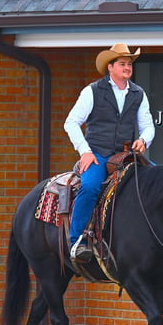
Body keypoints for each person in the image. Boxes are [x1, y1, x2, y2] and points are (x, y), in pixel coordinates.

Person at [64, 43, 155, 263]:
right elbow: (71, 123)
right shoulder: (92, 91)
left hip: (124, 155)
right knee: (90, 187)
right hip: (98, 154)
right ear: (110, 67)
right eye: (122, 64)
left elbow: (148, 126)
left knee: (157, 180)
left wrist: (143, 140)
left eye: (129, 64)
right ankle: (77, 242)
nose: (127, 67)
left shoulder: (138, 93)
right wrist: (85, 152)